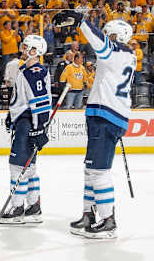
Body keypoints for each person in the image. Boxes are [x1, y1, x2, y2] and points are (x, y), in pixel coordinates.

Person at [70, 19, 137, 239]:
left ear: (118, 36)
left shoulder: (119, 53)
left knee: (98, 172)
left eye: (111, 34)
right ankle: (88, 214)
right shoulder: (125, 55)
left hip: (106, 117)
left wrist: (81, 21)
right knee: (90, 169)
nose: (107, 37)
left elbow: (99, 43)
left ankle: (109, 221)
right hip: (104, 116)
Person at [1, 35, 51, 225]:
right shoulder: (27, 70)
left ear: (34, 51)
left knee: (17, 167)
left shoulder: (34, 72)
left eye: (26, 47)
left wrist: (38, 130)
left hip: (28, 124)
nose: (22, 49)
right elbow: (21, 98)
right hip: (26, 121)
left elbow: (41, 103)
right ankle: (33, 206)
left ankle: (17, 208)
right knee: (29, 168)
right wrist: (11, 115)